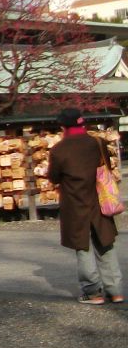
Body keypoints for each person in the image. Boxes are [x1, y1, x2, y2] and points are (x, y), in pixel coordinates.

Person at [46, 108, 123, 305]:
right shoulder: (97, 142)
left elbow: (53, 176)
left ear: (63, 127)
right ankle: (115, 291)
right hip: (99, 199)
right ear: (82, 123)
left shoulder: (58, 150)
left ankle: (92, 292)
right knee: (105, 244)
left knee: (83, 247)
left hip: (75, 203)